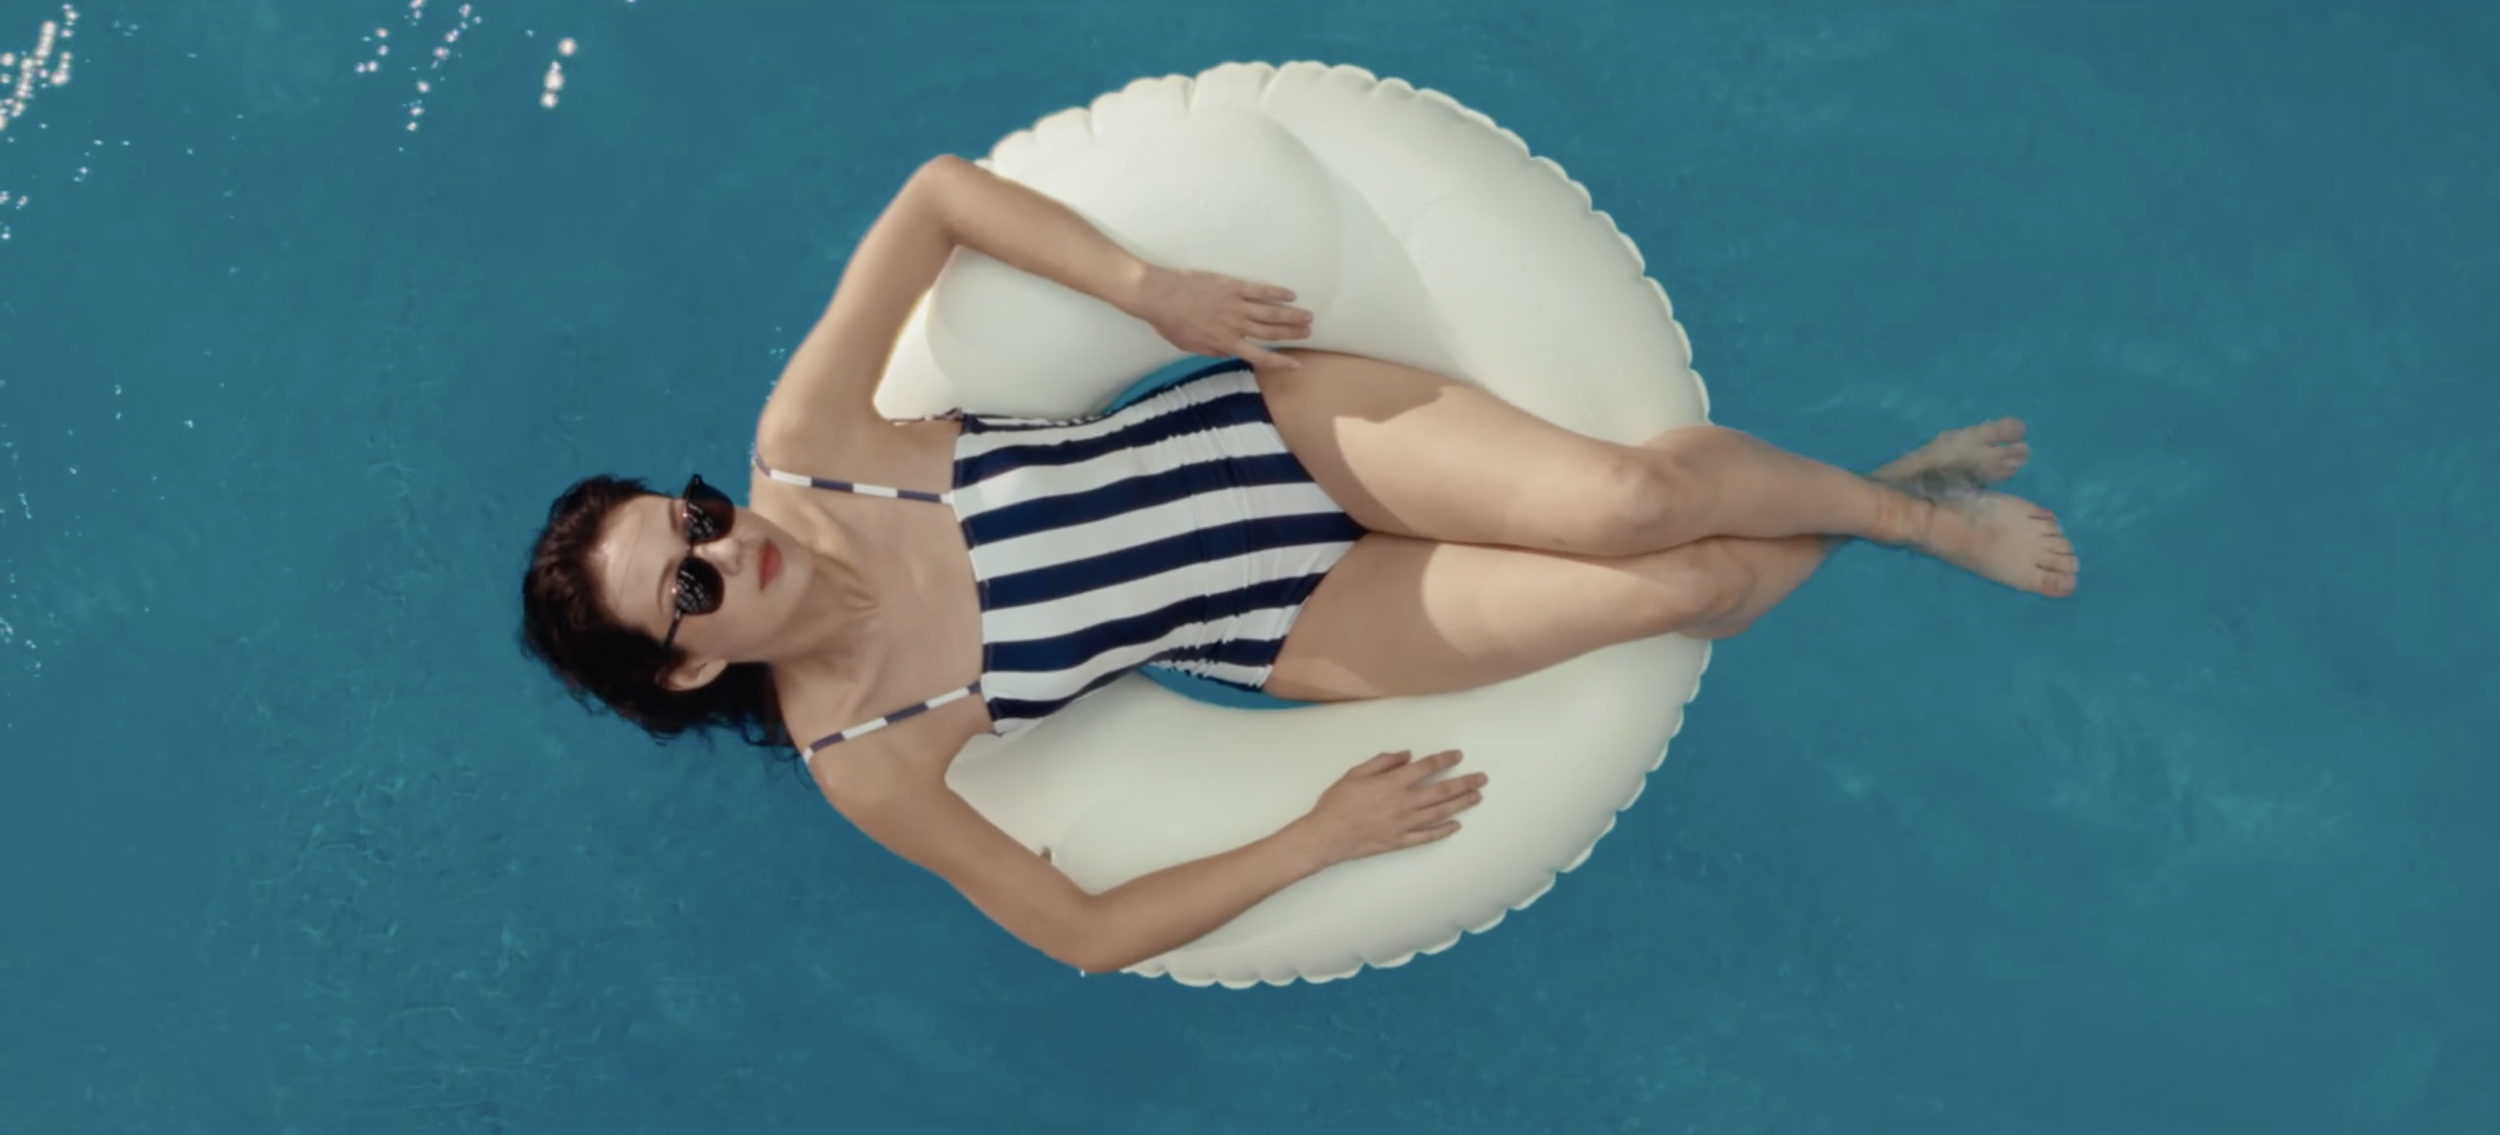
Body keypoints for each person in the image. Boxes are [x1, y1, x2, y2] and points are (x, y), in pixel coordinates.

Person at [518, 155, 2078, 974]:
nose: (734, 543)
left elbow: (932, 195)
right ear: (685, 666)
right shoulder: (863, 755)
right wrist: (1312, 837)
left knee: (1626, 506)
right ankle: (1887, 484)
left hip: (1283, 438)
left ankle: (1915, 520)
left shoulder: (818, 440)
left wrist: (1153, 292)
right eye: (694, 582)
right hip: (1280, 615)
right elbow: (1078, 930)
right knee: (1675, 595)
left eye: (699, 514)